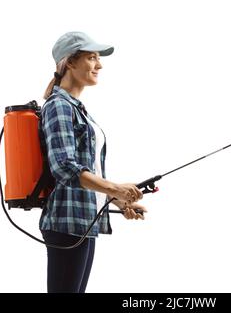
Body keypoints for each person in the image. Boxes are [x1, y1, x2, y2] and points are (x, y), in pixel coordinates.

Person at [39, 31, 147, 293]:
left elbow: (86, 170)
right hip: (66, 222)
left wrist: (117, 201)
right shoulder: (58, 106)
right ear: (70, 63)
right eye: (92, 57)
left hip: (83, 220)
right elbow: (64, 167)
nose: (99, 65)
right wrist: (114, 188)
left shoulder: (76, 107)